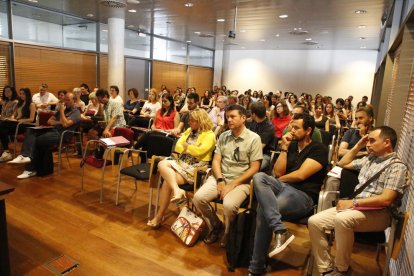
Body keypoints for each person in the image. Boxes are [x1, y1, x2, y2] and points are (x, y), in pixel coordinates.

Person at [308, 126, 408, 276]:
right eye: (367, 141)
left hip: (379, 213)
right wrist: (358, 145)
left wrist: (354, 203)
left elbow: (386, 199)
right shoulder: (369, 159)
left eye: (372, 141)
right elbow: (342, 163)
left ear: (387, 142)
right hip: (356, 209)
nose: (368, 144)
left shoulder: (397, 167)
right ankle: (326, 269)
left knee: (342, 219)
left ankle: (341, 269)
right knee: (314, 222)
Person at [248, 113, 328, 275]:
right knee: (259, 176)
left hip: (302, 195)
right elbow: (277, 172)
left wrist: (281, 181)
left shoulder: (319, 149)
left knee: (264, 210)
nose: (291, 130)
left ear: (308, 130)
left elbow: (301, 175)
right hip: (283, 187)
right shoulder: (290, 146)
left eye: (296, 127)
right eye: (291, 126)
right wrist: (284, 149)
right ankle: (280, 230)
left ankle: (256, 267)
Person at [193, 104, 263, 247]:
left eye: (233, 117)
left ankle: (228, 232)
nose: (229, 120)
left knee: (229, 205)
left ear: (243, 118)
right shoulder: (224, 136)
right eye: (227, 117)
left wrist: (232, 184)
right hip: (221, 177)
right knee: (198, 198)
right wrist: (220, 180)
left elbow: (255, 168)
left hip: (241, 181)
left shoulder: (254, 138)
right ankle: (215, 225)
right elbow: (216, 161)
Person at [147, 109, 216, 228]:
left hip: (196, 169)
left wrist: (187, 147)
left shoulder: (210, 135)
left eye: (193, 121)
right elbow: (178, 146)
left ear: (201, 121)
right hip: (181, 162)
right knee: (161, 164)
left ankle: (159, 216)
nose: (190, 123)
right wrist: (190, 148)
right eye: (190, 120)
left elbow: (200, 152)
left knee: (167, 182)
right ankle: (177, 190)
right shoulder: (189, 130)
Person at [8, 92, 81, 178]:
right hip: (53, 130)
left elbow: (66, 125)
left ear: (74, 101)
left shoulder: (75, 112)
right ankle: (24, 156)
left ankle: (30, 169)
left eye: (68, 100)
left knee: (36, 140)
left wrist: (61, 112)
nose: (65, 102)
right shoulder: (61, 110)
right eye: (65, 99)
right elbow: (49, 121)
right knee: (30, 131)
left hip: (62, 135)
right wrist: (60, 121)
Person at [0, 88, 36, 162]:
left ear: (27, 94)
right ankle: (6, 151)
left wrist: (21, 120)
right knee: (2, 126)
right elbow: (14, 115)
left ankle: (7, 151)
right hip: (17, 123)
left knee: (2, 125)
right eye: (20, 93)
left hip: (25, 125)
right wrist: (12, 118)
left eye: (23, 93)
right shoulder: (19, 104)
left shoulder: (31, 104)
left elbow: (32, 119)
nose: (21, 95)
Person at [249, 102, 275, 171]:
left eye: (250, 113)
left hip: (264, 154)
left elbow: (260, 147)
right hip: (252, 151)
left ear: (254, 114)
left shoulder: (269, 127)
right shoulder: (254, 122)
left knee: (250, 169)